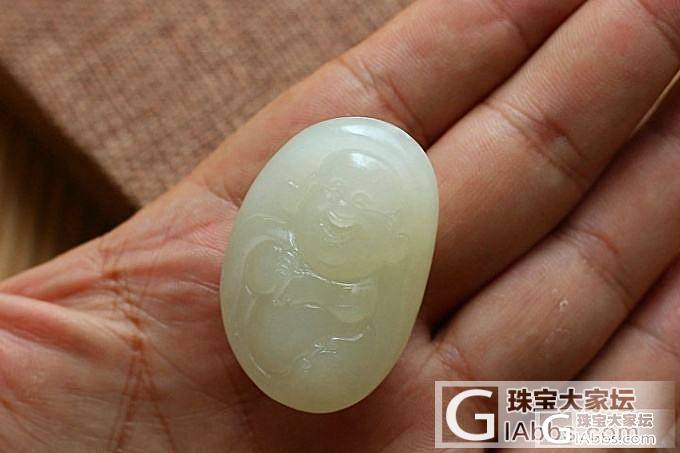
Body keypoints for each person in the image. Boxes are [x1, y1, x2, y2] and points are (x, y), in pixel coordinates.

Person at [0, 0, 678, 450]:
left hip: (326, 357)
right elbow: (269, 271)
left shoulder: (357, 285)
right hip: (293, 349)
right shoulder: (283, 249)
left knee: (625, 410)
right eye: (335, 205)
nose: (342, 215)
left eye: (361, 216)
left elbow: (348, 309)